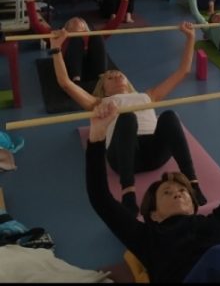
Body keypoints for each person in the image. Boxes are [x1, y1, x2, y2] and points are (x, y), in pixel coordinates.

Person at [85, 83, 220, 283]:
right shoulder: (147, 237)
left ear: (194, 204)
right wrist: (96, 137)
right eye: (167, 193)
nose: (177, 193)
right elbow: (100, 198)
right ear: (154, 214)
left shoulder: (219, 221)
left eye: (182, 190)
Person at [51, 21, 206, 214]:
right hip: (123, 158)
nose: (115, 76)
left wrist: (190, 37)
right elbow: (65, 83)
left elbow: (182, 71)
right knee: (127, 118)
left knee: (169, 116)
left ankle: (193, 184)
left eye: (118, 74)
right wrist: (56, 49)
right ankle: (128, 193)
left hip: (154, 153)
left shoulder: (147, 95)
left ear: (128, 81)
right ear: (103, 88)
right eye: (109, 77)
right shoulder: (98, 102)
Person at [26, 0, 128, 82]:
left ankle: (101, 79)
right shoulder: (59, 37)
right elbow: (36, 25)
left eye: (80, 20)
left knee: (97, 36)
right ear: (66, 28)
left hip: (93, 65)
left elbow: (116, 22)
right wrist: (30, 2)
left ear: (86, 28)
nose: (76, 19)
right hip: (71, 65)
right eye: (71, 22)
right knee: (76, 39)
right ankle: (76, 80)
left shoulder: (92, 36)